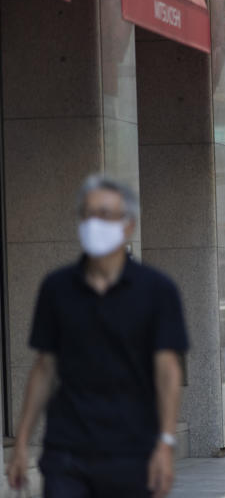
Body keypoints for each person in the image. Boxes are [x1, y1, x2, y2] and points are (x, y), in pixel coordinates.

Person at [7, 176, 188, 498]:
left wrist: (166, 442)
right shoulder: (57, 288)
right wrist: (21, 442)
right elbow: (45, 367)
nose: (94, 223)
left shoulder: (157, 290)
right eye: (87, 214)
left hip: (133, 452)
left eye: (105, 215)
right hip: (67, 450)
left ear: (128, 225)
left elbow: (167, 370)